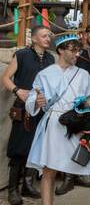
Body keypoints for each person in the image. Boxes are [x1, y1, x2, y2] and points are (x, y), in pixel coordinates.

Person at [25, 33, 90, 205]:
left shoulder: (83, 74)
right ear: (61, 50)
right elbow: (33, 97)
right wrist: (36, 102)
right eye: (73, 50)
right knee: (49, 170)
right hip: (55, 125)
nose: (77, 54)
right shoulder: (45, 74)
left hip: (78, 125)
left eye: (78, 50)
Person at [2, 26, 55, 205]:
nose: (48, 38)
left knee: (36, 147)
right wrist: (18, 91)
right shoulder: (22, 55)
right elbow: (6, 78)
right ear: (34, 39)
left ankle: (28, 185)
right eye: (44, 35)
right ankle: (13, 190)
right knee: (18, 149)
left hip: (42, 110)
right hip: (23, 109)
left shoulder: (50, 58)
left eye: (49, 35)